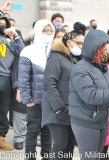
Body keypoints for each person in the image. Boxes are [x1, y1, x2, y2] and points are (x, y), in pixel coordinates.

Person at [68, 29, 109, 160]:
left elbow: (106, 94)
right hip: (86, 122)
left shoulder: (101, 67)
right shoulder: (80, 69)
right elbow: (90, 96)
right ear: (93, 49)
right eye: (103, 50)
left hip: (101, 120)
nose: (107, 53)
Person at [42, 22, 86, 160]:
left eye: (82, 44)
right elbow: (49, 83)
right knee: (60, 146)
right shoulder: (56, 57)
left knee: (69, 146)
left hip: (71, 110)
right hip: (58, 110)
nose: (80, 47)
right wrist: (59, 107)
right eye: (78, 43)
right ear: (68, 42)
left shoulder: (76, 58)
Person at [18, 19, 55, 160]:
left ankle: (47, 156)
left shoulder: (54, 51)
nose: (48, 33)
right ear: (39, 31)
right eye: (45, 30)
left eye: (50, 30)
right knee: (32, 131)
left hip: (50, 101)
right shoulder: (28, 51)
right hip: (34, 100)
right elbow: (23, 78)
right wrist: (28, 100)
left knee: (48, 132)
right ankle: (30, 157)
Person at [0, 6, 24, 150]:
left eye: (4, 23)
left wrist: (16, 37)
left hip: (7, 78)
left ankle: (1, 137)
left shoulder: (10, 40)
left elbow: (22, 52)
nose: (3, 25)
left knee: (3, 109)